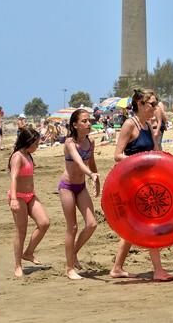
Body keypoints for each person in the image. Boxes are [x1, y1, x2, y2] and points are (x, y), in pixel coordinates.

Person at [110, 89, 173, 281]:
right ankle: (158, 270)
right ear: (139, 104)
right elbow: (117, 155)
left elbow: (155, 152)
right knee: (150, 222)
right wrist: (139, 161)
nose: (155, 108)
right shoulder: (130, 125)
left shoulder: (147, 125)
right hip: (131, 183)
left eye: (155, 104)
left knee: (134, 226)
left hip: (146, 182)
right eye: (152, 104)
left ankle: (117, 268)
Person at [58, 109, 99, 280]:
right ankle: (69, 268)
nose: (88, 123)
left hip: (81, 187)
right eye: (84, 121)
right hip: (67, 187)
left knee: (91, 224)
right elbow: (79, 162)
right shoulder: (69, 143)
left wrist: (96, 180)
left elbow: (91, 162)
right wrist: (90, 174)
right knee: (72, 227)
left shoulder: (90, 142)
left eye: (89, 121)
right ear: (75, 125)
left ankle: (73, 253)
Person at [8, 127, 50, 277]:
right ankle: (17, 265)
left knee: (44, 223)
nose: (37, 147)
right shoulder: (17, 157)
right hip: (18, 196)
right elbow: (13, 177)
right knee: (21, 231)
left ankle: (29, 252)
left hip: (30, 195)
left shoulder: (28, 155)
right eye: (36, 144)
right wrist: (13, 198)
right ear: (28, 142)